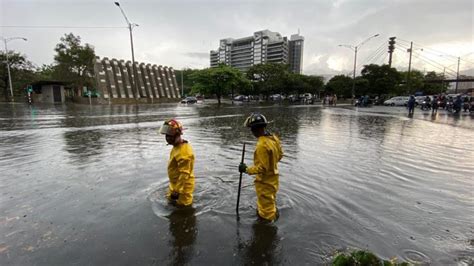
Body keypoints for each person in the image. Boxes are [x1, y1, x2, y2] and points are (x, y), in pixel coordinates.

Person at [239, 113, 283, 222]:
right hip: (274, 179)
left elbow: (262, 168)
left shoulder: (261, 145)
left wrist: (246, 169)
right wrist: (272, 163)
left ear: (254, 129)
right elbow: (280, 155)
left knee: (266, 212)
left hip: (265, 182)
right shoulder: (274, 138)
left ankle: (267, 227)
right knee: (269, 202)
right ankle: (271, 217)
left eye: (251, 129)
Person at [159, 119, 195, 206]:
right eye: (166, 135)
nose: (167, 138)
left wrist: (177, 191)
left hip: (183, 187)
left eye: (170, 135)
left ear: (178, 134)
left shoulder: (184, 152)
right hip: (175, 183)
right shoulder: (176, 146)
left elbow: (184, 173)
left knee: (183, 207)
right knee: (170, 202)